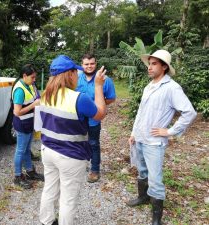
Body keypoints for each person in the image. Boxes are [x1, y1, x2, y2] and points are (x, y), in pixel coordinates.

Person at [126, 50, 197, 225]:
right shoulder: (149, 86)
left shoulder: (172, 88)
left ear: (164, 67)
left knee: (155, 180)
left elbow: (190, 112)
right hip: (141, 137)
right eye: (149, 63)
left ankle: (156, 220)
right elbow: (141, 112)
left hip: (154, 142)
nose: (149, 67)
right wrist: (133, 133)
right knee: (142, 171)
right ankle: (143, 197)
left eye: (154, 64)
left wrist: (170, 131)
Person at [38, 55, 107, 225]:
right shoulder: (79, 98)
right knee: (68, 199)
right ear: (69, 74)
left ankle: (46, 221)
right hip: (70, 155)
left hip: (47, 151)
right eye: (76, 72)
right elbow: (100, 114)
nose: (78, 75)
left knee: (49, 189)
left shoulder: (45, 95)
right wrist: (98, 86)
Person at [76, 53, 116, 183]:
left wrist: (100, 105)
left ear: (96, 64)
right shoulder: (76, 78)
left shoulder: (105, 80)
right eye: (86, 64)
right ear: (82, 65)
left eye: (92, 63)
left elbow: (111, 98)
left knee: (93, 143)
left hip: (94, 117)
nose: (89, 66)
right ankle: (79, 165)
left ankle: (94, 170)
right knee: (78, 141)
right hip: (78, 117)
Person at [11, 64, 44, 189]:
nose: (34, 79)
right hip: (22, 124)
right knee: (20, 151)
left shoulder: (29, 85)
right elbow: (17, 112)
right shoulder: (20, 89)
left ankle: (30, 171)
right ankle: (17, 177)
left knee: (26, 149)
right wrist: (34, 104)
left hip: (29, 123)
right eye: (33, 77)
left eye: (35, 77)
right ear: (25, 76)